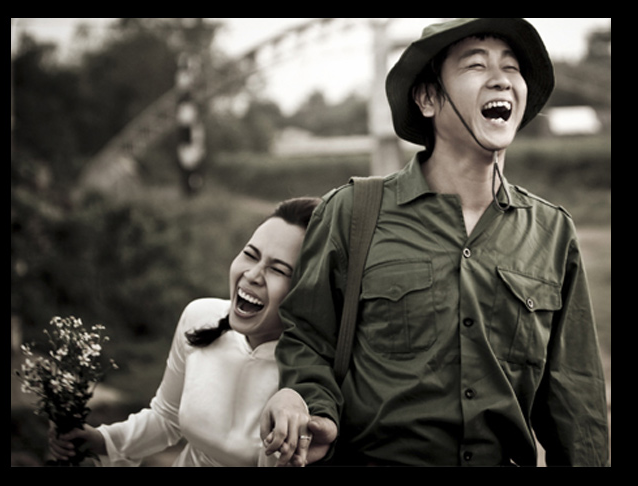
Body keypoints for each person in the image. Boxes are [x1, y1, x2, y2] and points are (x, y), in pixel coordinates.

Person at [261, 18, 610, 466]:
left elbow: (577, 401)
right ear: (427, 98)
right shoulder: (351, 212)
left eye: (511, 67)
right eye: (476, 65)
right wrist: (315, 408)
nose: (501, 79)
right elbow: (309, 340)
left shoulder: (553, 232)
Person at [48, 197, 320, 466]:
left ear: (307, 290)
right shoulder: (200, 317)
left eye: (278, 270)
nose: (252, 274)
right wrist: (101, 440)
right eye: (250, 255)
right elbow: (166, 418)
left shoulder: (313, 374)